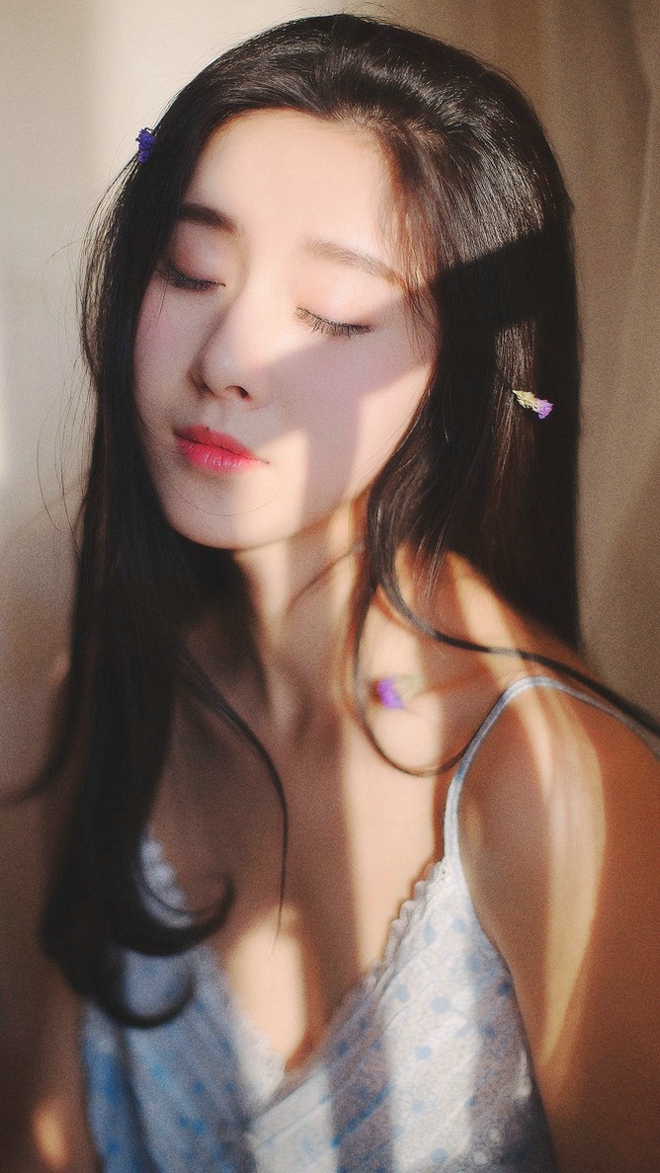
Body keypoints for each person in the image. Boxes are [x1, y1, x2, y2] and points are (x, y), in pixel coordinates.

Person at [1, 12, 659, 1173]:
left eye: (336, 315)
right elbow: (48, 1136)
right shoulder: (118, 683)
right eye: (191, 269)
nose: (226, 361)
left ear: (464, 376)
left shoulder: (554, 791)